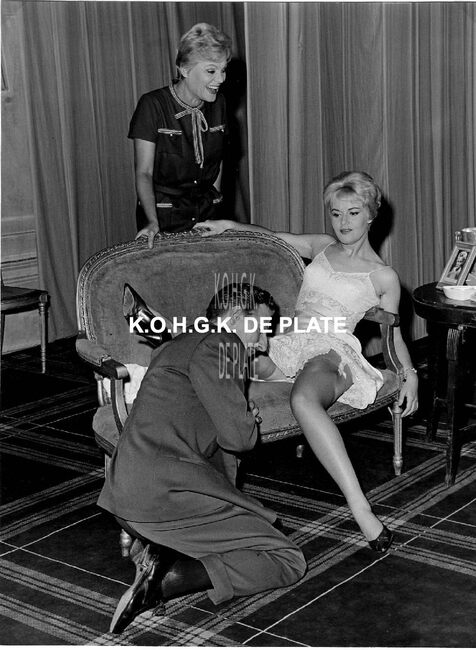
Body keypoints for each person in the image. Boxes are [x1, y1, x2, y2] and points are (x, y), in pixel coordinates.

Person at [195, 171, 419, 550]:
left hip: (332, 351)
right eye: (336, 213)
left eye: (353, 212)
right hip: (290, 344)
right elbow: (272, 238)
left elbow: (393, 332)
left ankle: (361, 509)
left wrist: (409, 375)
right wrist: (229, 225)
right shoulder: (323, 246)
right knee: (223, 357)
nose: (343, 222)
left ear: (371, 215)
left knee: (303, 399)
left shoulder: (383, 276)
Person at [98, 282, 306, 634]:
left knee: (248, 531)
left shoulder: (179, 345)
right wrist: (245, 420)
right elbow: (240, 440)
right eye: (261, 329)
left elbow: (199, 426)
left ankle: (160, 550)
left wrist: (236, 412)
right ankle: (166, 579)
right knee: (288, 559)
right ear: (237, 317)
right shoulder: (225, 345)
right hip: (164, 498)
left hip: (126, 497)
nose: (263, 343)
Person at [129, 23, 232, 245]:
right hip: (164, 219)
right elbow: (144, 173)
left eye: (223, 70)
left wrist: (216, 199)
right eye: (211, 71)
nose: (221, 79)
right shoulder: (152, 105)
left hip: (207, 216)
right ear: (185, 70)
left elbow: (219, 160)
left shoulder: (220, 104)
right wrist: (152, 222)